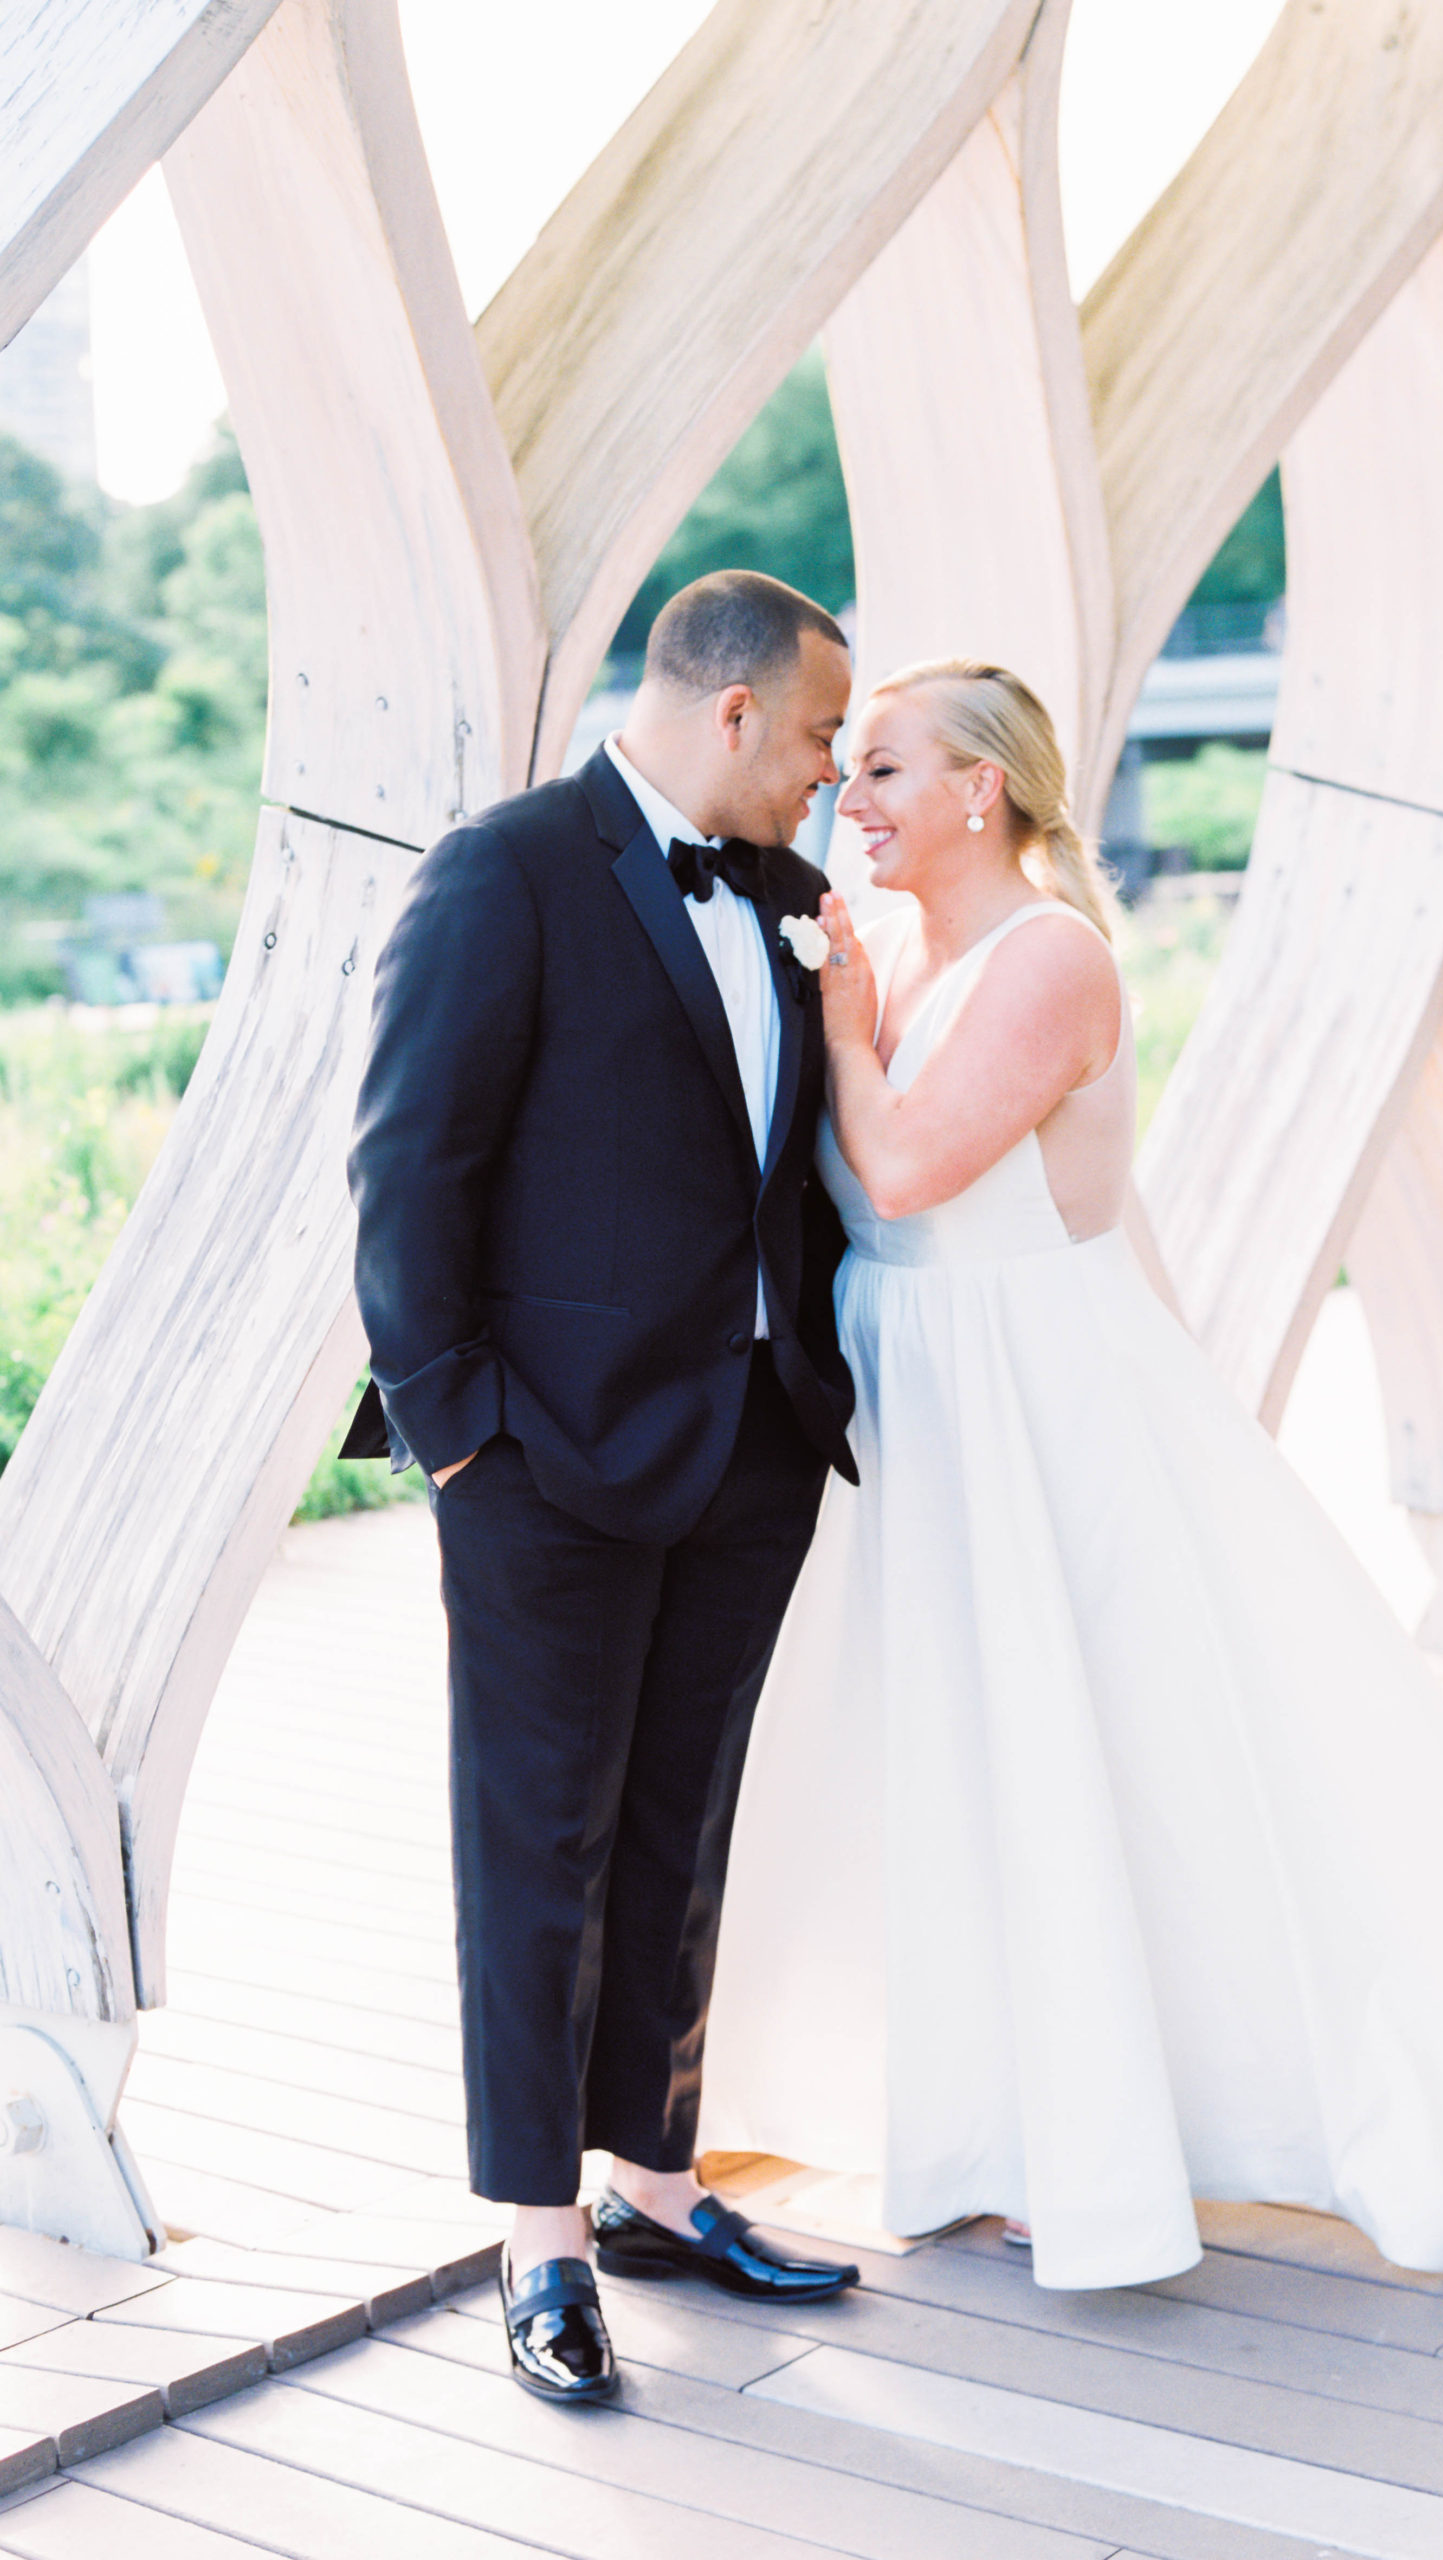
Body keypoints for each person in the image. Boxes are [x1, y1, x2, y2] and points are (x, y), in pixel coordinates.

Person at [696, 658, 1443, 2292]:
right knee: (952, 1738)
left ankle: (1096, 2122)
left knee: (1084, 1734)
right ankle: (981, 2103)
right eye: (845, 767)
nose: (845, 799)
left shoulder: (1048, 956)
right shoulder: (901, 948)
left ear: (977, 792)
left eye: (881, 770)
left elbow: (898, 1160)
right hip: (916, 1388)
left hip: (1028, 1385)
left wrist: (830, 1015)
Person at [345, 571, 869, 2403]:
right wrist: (460, 1431)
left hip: (747, 1441)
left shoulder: (797, 901)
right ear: (730, 712)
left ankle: (657, 2185)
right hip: (541, 1461)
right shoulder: (507, 871)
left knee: (681, 1826)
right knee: (537, 1843)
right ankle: (539, 2241)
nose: (826, 774)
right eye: (815, 736)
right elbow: (410, 1165)